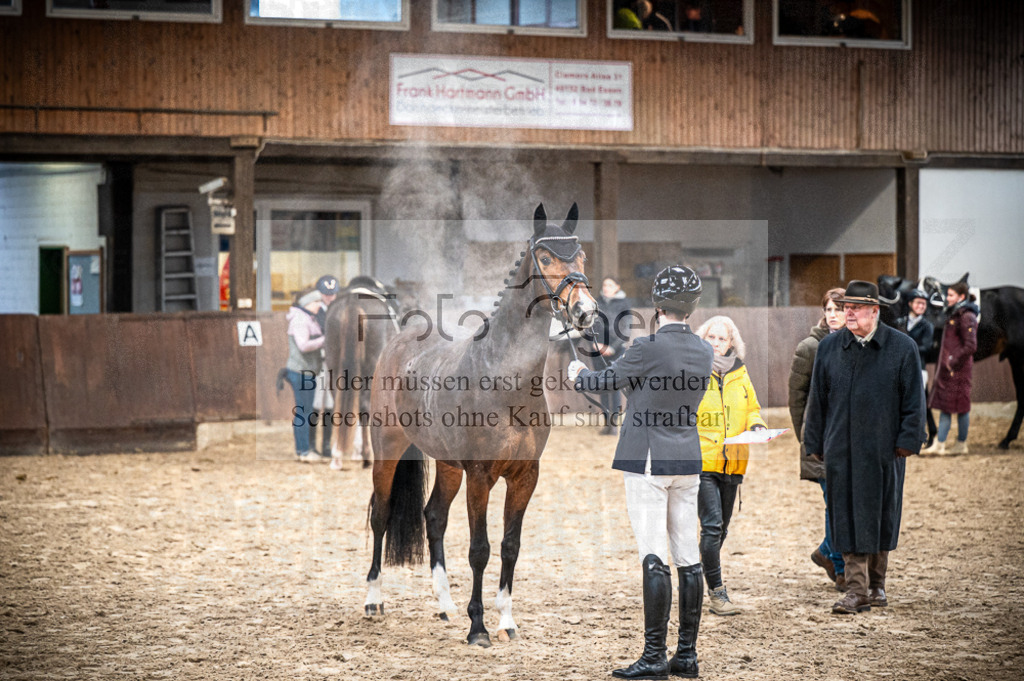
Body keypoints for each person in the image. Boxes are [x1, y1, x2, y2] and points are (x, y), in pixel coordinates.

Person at [569, 265, 712, 679]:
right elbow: (661, 391)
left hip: (648, 458)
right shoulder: (704, 351)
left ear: (657, 303)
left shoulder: (646, 346)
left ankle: (654, 656)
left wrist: (579, 374)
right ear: (693, 306)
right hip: (687, 459)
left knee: (654, 558)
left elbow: (607, 381)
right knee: (688, 558)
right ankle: (686, 655)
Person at [803, 280, 925, 614]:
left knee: (881, 514)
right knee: (846, 515)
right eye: (846, 308)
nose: (849, 313)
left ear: (875, 311)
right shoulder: (830, 348)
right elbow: (817, 400)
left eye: (856, 308)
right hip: (841, 448)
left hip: (885, 450)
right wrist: (814, 442)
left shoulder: (902, 347)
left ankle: (877, 585)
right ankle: (856, 590)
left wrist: (906, 442)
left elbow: (915, 401)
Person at [694, 316, 766, 616]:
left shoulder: (740, 372)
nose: (715, 343)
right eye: (710, 337)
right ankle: (717, 593)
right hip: (702, 460)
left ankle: (696, 575)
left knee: (721, 530)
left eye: (721, 339)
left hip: (734, 461)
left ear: (731, 343)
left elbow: (752, 408)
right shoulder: (693, 371)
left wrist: (758, 425)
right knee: (711, 528)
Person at [788, 288, 847, 592]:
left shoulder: (855, 344)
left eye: (838, 308)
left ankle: (826, 551)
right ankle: (839, 566)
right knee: (835, 505)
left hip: (847, 441)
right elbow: (796, 399)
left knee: (839, 504)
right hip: (822, 443)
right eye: (829, 309)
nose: (833, 314)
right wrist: (807, 441)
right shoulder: (810, 347)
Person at [284, 275, 338, 463]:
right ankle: (305, 450)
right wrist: (326, 340)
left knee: (304, 410)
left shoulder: (308, 317)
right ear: (308, 303)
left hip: (307, 370)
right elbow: (303, 345)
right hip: (301, 371)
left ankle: (304, 450)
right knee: (304, 411)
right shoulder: (300, 320)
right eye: (316, 301)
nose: (319, 304)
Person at [923, 282, 978, 455]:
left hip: (958, 370)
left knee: (962, 408)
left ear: (961, 297)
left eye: (951, 295)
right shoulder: (955, 313)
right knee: (946, 406)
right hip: (950, 369)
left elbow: (971, 346)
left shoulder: (966, 316)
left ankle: (961, 443)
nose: (947, 298)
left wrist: (952, 360)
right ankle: (940, 444)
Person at [591, 276, 634, 434]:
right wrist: (595, 343)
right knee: (602, 385)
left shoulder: (624, 304)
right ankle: (606, 423)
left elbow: (626, 328)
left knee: (614, 386)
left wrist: (612, 347)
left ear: (617, 287)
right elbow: (590, 325)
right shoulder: (596, 303)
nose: (606, 287)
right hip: (598, 350)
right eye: (604, 284)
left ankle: (614, 423)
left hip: (616, 350)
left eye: (610, 285)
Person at [904, 289, 935, 390]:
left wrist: (906, 348)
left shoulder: (927, 326)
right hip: (900, 366)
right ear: (910, 303)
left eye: (924, 304)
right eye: (918, 303)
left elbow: (926, 347)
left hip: (918, 366)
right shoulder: (901, 322)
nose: (921, 306)